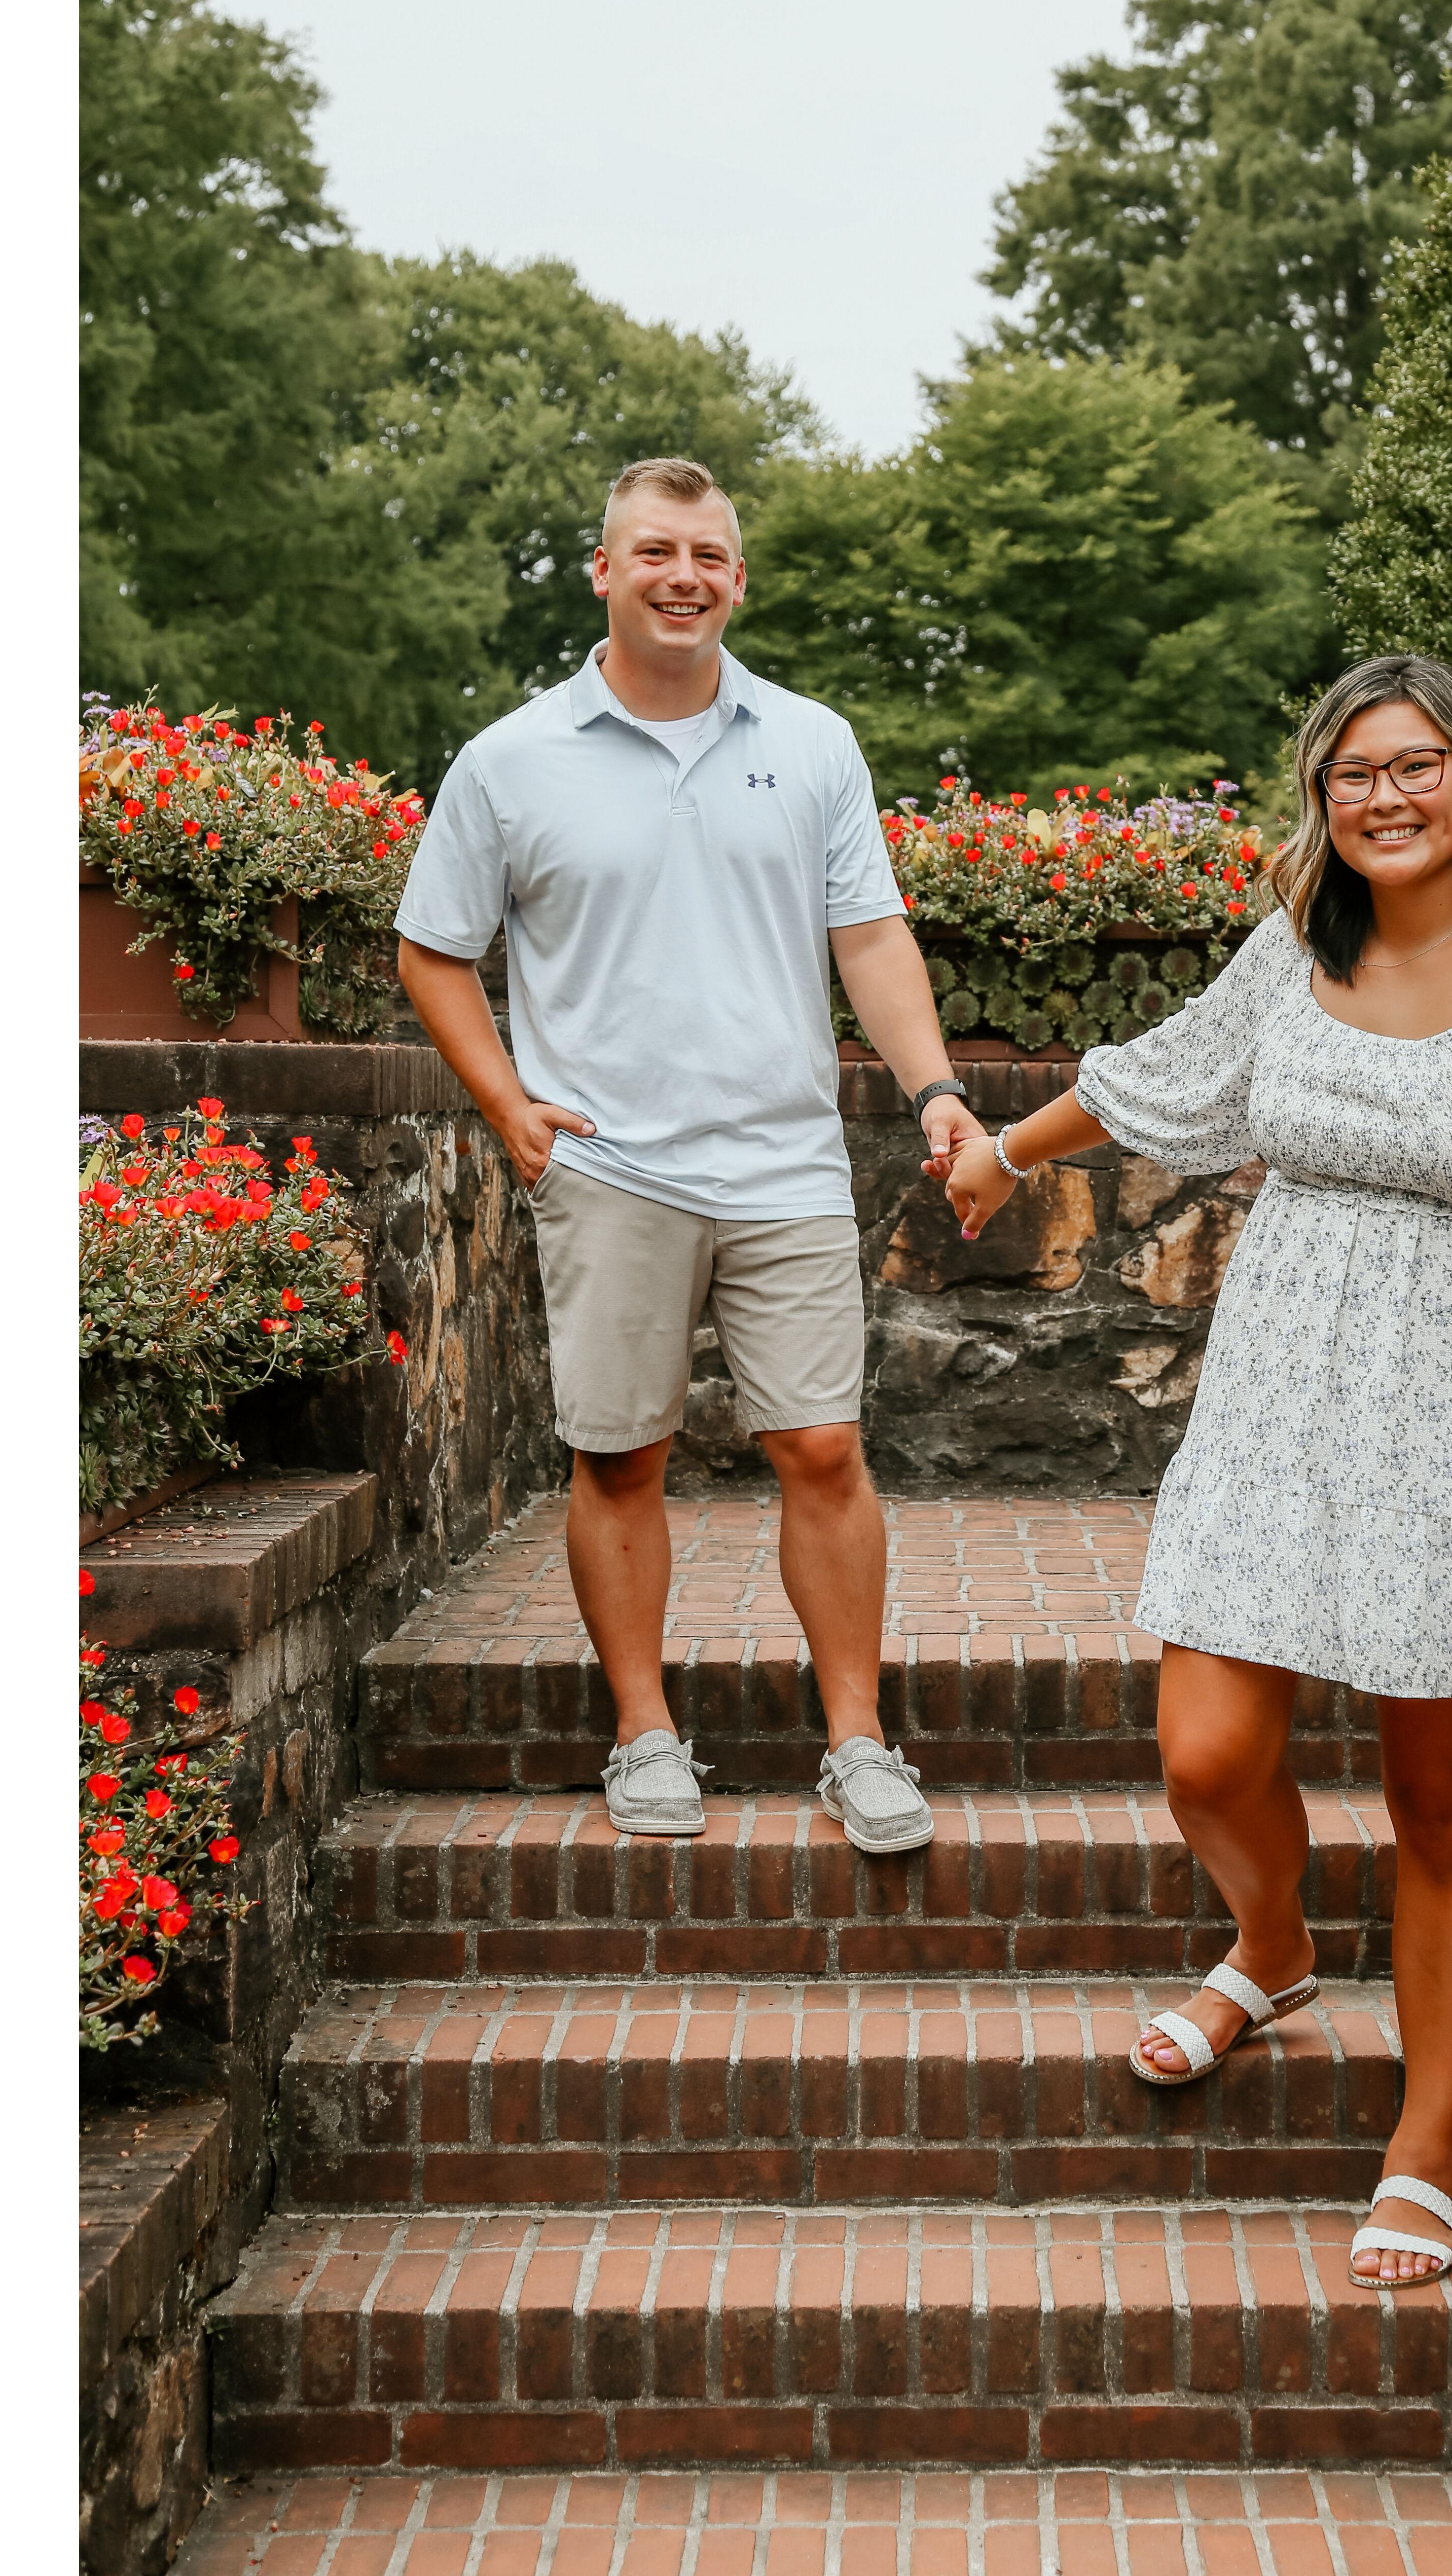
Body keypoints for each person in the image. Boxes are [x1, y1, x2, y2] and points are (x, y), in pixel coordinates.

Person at [938, 653, 1452, 2286]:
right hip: (1279, 1404)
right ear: (1320, 802)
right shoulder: (1294, 953)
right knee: (1203, 1754)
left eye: (1416, 765)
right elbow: (1164, 1075)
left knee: (1438, 1801)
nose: (1388, 797)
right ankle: (1271, 1953)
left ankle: (1423, 2142)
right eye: (1354, 774)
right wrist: (1002, 1153)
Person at [393, 456, 986, 1855]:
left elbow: (868, 937)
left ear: (738, 579)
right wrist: (509, 1107)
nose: (685, 577)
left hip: (782, 1159)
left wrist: (938, 1090)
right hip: (610, 1165)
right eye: (656, 551)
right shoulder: (512, 759)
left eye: (710, 557)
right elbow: (433, 947)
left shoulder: (814, 741)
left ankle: (855, 1741)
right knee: (622, 1460)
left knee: (826, 1449)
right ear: (603, 571)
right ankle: (644, 1733)